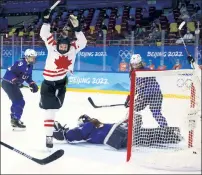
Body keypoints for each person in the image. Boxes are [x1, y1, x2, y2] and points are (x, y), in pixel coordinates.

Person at [40, 9, 87, 150]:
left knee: (57, 107)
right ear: (58, 44)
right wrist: (46, 20)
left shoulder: (73, 48)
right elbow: (44, 34)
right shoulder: (52, 46)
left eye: (65, 46)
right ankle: (49, 136)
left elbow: (83, 42)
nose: (63, 48)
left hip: (61, 84)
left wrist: (77, 29)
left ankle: (51, 125)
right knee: (50, 111)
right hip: (48, 84)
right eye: (61, 46)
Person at [52, 114, 182, 150]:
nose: (91, 119)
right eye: (88, 119)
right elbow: (77, 133)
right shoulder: (88, 129)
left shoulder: (95, 127)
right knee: (146, 136)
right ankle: (172, 136)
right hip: (115, 136)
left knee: (146, 135)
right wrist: (64, 134)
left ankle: (172, 136)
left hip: (117, 133)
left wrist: (126, 121)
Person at [125, 54, 168, 128]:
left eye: (136, 64)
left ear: (140, 63)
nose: (135, 66)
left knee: (155, 112)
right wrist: (129, 99)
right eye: (133, 64)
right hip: (144, 96)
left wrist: (141, 97)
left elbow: (149, 86)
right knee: (133, 109)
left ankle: (165, 127)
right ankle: (133, 125)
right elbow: (134, 88)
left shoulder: (146, 71)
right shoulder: (132, 73)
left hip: (155, 95)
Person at [1, 49, 38, 130]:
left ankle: (14, 118)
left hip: (13, 85)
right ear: (27, 57)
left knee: (19, 101)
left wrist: (32, 84)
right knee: (19, 101)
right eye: (32, 57)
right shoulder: (20, 63)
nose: (34, 59)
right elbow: (10, 71)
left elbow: (28, 77)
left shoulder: (30, 66)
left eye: (35, 57)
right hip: (8, 83)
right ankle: (15, 119)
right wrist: (15, 79)